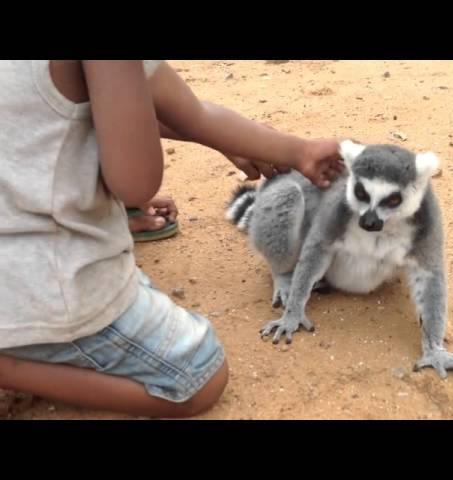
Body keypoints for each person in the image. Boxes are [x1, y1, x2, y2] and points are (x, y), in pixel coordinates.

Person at [0, 60, 343, 418]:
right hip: (35, 288)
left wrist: (295, 150)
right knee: (198, 375)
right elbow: (136, 181)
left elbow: (180, 111)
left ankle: (96, 214)